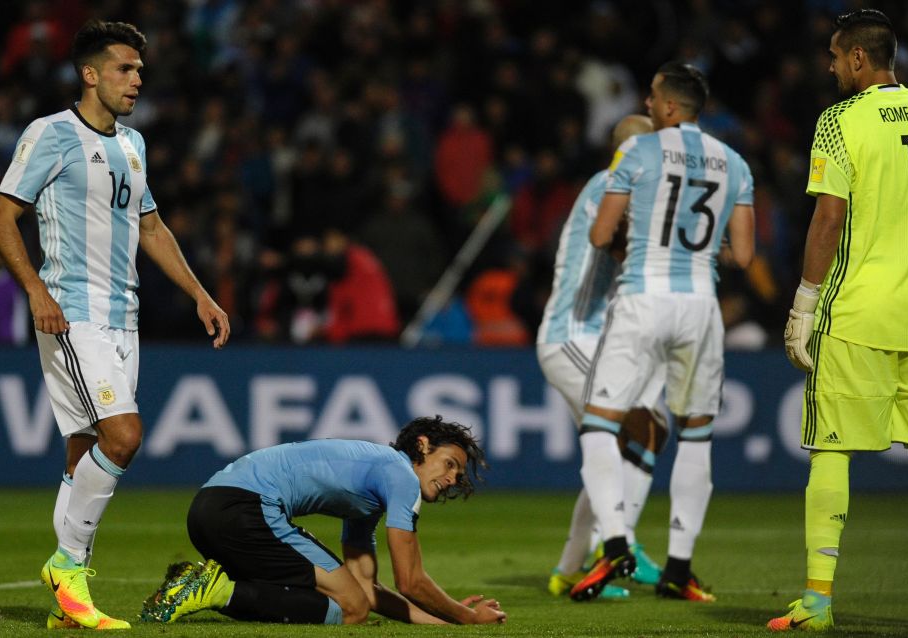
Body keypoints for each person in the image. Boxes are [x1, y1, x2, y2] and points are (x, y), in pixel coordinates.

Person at [0, 20, 230, 630]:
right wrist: (36, 290)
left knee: (83, 451)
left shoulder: (132, 145)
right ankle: (67, 563)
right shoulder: (51, 134)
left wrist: (200, 293)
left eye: (140, 70)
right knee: (123, 437)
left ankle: (70, 604)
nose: (137, 79)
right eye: (125, 68)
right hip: (72, 312)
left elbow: (151, 227)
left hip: (126, 317)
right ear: (90, 74)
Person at [775, 9, 908, 632]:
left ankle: (817, 600)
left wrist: (803, 304)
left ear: (859, 60)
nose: (828, 65)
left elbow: (827, 218)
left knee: (831, 449)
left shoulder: (841, 120)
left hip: (855, 311)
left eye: (834, 55)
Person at [568, 61, 755, 603]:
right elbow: (742, 255)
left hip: (643, 298)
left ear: (671, 107)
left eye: (652, 97)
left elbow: (603, 234)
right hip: (700, 304)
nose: (646, 105)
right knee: (695, 434)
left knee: (600, 425)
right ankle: (678, 566)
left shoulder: (638, 152)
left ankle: (616, 546)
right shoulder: (734, 162)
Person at [138, 416, 507, 626]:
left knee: (351, 602)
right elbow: (409, 582)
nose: (453, 479)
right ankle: (218, 590)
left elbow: (366, 587)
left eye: (458, 474)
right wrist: (467, 617)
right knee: (349, 609)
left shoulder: (370, 496)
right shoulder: (401, 475)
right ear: (423, 446)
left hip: (209, 507)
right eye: (450, 464)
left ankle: (198, 584)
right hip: (246, 509)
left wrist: (445, 620)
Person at [537, 114, 667, 601]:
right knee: (634, 429)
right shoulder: (612, 184)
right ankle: (614, 549)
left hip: (596, 338)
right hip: (570, 335)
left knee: (635, 435)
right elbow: (621, 247)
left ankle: (575, 566)